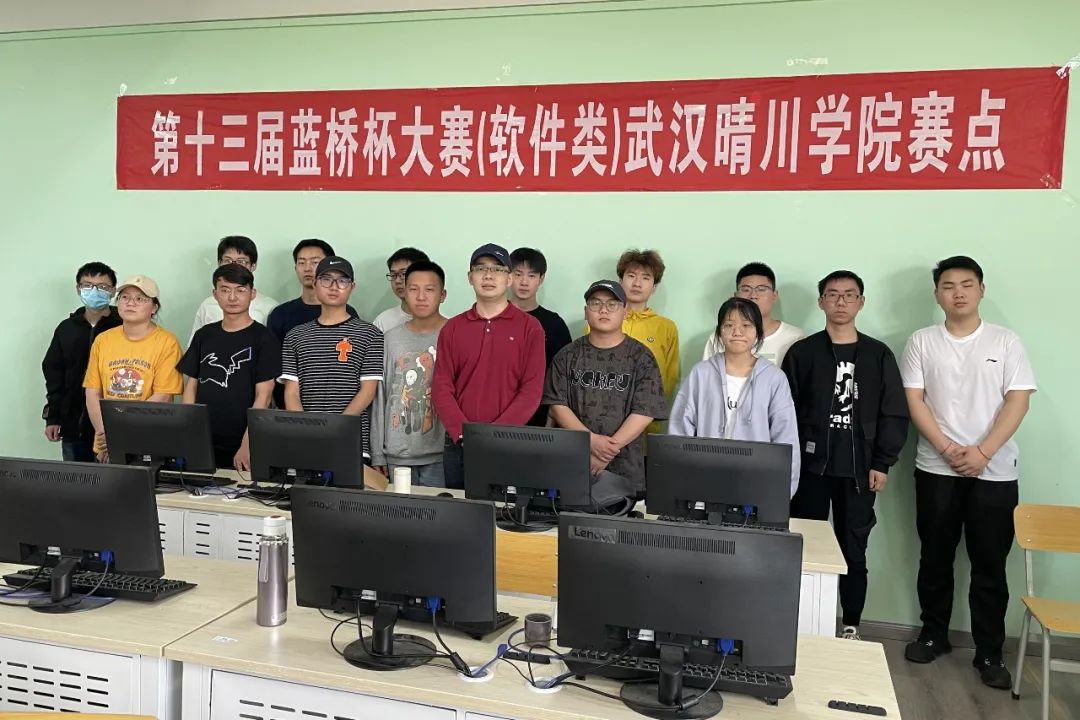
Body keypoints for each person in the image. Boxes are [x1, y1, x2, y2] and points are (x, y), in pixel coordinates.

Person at [901, 256, 1035, 690]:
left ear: (981, 289)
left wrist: (983, 452)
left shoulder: (1005, 341)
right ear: (937, 293)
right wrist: (946, 448)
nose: (957, 292)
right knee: (935, 557)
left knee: (990, 565)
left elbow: (1018, 401)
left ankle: (990, 652)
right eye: (947, 285)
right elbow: (915, 400)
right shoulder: (922, 341)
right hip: (935, 468)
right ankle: (933, 634)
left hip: (994, 473)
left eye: (966, 284)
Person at [781, 270, 908, 642]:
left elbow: (893, 412)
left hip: (859, 471)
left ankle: (851, 623)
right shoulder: (803, 353)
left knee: (854, 550)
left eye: (849, 295)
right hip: (810, 469)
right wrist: (790, 463)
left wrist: (882, 462)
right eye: (833, 294)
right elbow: (786, 412)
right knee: (803, 545)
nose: (840, 301)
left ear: (861, 302)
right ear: (821, 301)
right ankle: (801, 623)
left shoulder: (878, 355)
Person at [431, 243, 546, 489]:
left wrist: (496, 435)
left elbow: (532, 390)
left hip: (509, 443)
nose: (488, 275)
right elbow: (441, 387)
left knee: (507, 512)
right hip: (459, 444)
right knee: (458, 510)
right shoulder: (452, 328)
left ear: (509, 279)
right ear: (470, 277)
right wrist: (464, 434)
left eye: (497, 269)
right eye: (481, 268)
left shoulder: (530, 327)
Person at [544, 280, 667, 505]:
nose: (603, 310)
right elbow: (557, 406)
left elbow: (645, 411)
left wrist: (607, 451)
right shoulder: (567, 355)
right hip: (573, 464)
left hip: (626, 469)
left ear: (625, 312)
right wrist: (591, 442)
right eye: (596, 303)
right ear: (586, 311)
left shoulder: (642, 357)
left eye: (612, 304)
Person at [670, 297, 800, 496]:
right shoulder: (701, 373)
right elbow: (680, 429)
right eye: (729, 325)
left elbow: (786, 437)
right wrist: (680, 481)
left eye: (746, 325)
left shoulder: (774, 378)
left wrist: (783, 492)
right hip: (704, 479)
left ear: (758, 332)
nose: (737, 332)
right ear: (719, 331)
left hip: (756, 482)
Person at [178, 265, 281, 471]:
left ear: (252, 294)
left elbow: (264, 396)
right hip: (203, 437)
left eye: (240, 290)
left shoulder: (264, 338)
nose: (232, 297)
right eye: (225, 290)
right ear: (215, 294)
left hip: (243, 439)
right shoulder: (204, 335)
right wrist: (188, 433)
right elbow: (191, 387)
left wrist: (248, 444)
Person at [280, 256, 383, 460]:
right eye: (326, 279)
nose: (334, 287)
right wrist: (306, 431)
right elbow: (291, 393)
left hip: (350, 440)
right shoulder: (295, 336)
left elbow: (368, 391)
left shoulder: (370, 334)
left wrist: (335, 429)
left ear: (352, 287)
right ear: (315, 284)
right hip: (306, 441)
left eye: (342, 281)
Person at [83, 275, 184, 463]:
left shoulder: (167, 342)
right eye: (125, 297)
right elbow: (92, 391)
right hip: (107, 443)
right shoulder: (103, 340)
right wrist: (105, 433)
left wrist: (120, 434)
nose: (131, 303)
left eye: (140, 298)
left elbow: (163, 396)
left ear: (154, 307)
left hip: (148, 443)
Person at [371, 261, 448, 487]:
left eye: (429, 289)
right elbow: (380, 396)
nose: (421, 297)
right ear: (404, 292)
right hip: (398, 453)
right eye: (413, 289)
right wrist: (377, 452)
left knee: (440, 508)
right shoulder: (390, 339)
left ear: (442, 295)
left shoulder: (454, 334)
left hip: (442, 454)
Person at [587, 249, 679, 438]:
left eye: (646, 277)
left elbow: (668, 379)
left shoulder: (666, 327)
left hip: (644, 425)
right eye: (631, 275)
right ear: (620, 282)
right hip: (598, 424)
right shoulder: (599, 321)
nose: (637, 283)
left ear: (654, 287)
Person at [42, 262, 123, 462]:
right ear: (78, 289)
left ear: (113, 291)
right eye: (87, 285)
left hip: (115, 424)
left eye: (102, 286)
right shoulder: (66, 329)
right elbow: (54, 375)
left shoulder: (124, 326)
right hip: (74, 425)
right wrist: (53, 417)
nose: (94, 291)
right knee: (77, 479)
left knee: (116, 480)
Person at [510, 247, 573, 427]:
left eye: (531, 275)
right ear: (508, 276)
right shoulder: (493, 318)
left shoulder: (554, 324)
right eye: (518, 274)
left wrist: (552, 420)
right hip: (496, 411)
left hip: (539, 414)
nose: (524, 282)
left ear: (541, 279)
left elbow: (561, 377)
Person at [703, 262, 805, 367]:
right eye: (746, 290)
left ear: (774, 295)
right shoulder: (721, 338)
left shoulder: (795, 337)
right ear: (736, 296)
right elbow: (706, 375)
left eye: (761, 289)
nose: (753, 296)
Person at [190, 236, 278, 344]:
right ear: (219, 263)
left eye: (241, 261)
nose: (234, 266)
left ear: (253, 266)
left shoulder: (269, 307)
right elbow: (196, 346)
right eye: (227, 261)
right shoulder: (207, 306)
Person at [267, 239, 358, 342]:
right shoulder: (281, 314)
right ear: (295, 268)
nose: (307, 268)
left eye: (315, 262)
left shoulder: (346, 312)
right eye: (301, 263)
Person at [372, 247, 430, 333]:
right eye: (393, 275)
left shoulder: (444, 325)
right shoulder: (382, 321)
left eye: (404, 274)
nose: (397, 281)